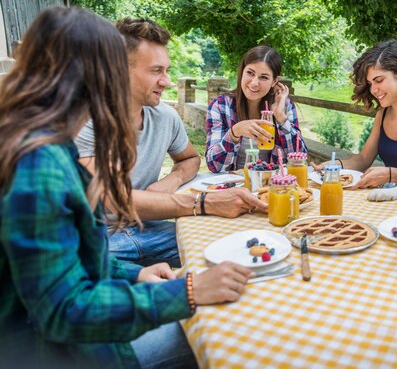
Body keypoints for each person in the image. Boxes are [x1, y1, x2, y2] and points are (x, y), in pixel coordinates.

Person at [0, 6, 252, 369]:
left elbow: (69, 263)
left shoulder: (43, 143)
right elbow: (62, 310)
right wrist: (189, 292)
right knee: (222, 332)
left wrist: (134, 274)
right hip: (60, 354)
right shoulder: (40, 167)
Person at [76, 18, 266, 266]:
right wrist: (204, 203)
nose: (166, 81)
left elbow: (189, 158)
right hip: (89, 239)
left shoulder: (164, 116)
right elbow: (113, 197)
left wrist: (172, 179)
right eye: (156, 71)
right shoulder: (83, 119)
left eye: (166, 70)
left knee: (244, 249)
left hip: (148, 228)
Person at [313, 39, 397, 188]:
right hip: (389, 199)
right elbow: (363, 159)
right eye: (371, 83)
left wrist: (391, 175)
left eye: (379, 80)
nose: (373, 90)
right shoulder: (383, 114)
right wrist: (334, 165)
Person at [205, 45, 306, 172]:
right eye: (250, 73)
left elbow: (299, 160)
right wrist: (235, 132)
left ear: (275, 81)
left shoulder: (284, 107)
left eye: (263, 77)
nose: (254, 83)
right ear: (242, 72)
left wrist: (281, 118)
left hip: (272, 186)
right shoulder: (221, 106)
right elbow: (213, 165)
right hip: (232, 187)